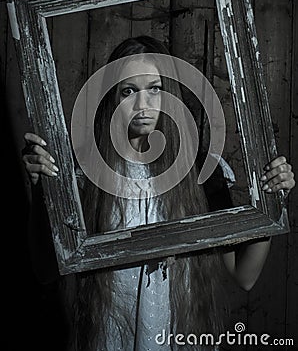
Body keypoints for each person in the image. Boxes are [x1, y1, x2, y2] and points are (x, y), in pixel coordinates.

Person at [22, 36, 295, 351]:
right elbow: (44, 270)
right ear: (111, 98)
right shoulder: (84, 175)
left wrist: (271, 202)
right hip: (109, 337)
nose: (142, 104)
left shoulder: (203, 172)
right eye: (129, 91)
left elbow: (243, 275)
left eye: (155, 88)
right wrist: (40, 190)